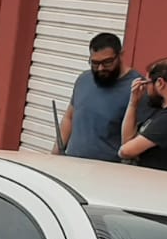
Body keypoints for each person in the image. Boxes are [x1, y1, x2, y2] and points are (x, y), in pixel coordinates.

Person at [58, 32, 141, 161]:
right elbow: (69, 117)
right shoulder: (84, 79)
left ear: (120, 55)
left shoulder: (137, 87)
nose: (101, 68)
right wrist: (55, 155)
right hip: (72, 164)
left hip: (107, 172)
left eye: (107, 62)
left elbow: (136, 139)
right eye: (95, 63)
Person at [119, 58, 167, 172]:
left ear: (160, 83)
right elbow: (127, 141)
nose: (145, 88)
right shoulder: (161, 111)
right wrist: (133, 104)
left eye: (147, 82)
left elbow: (126, 151)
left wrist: (126, 150)